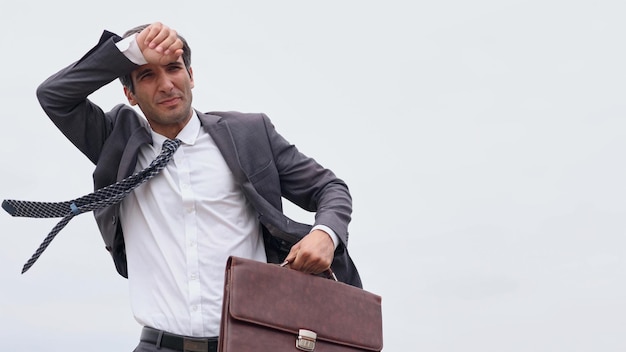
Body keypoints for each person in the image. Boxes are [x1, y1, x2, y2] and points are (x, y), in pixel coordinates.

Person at [36, 21, 361, 351]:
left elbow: (329, 187)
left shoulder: (249, 134)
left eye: (173, 68)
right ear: (129, 94)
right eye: (147, 75)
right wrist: (129, 51)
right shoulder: (115, 143)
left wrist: (325, 234)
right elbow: (55, 96)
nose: (166, 85)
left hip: (250, 343)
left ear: (191, 76)